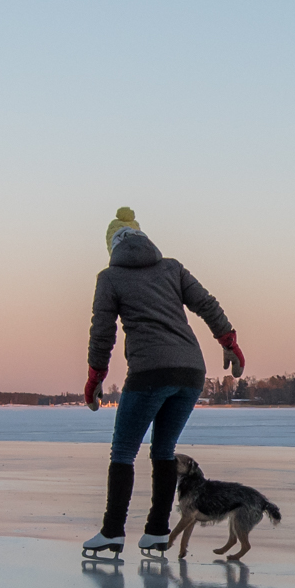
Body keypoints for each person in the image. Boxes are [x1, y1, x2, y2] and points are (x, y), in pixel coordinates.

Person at [81, 208, 246, 558]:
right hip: (190, 373)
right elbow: (206, 303)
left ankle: (113, 532)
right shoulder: (171, 267)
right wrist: (229, 342)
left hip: (149, 373)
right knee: (163, 451)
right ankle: (157, 531)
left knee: (123, 452)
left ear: (112, 245)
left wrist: (96, 376)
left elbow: (102, 332)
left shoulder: (110, 278)